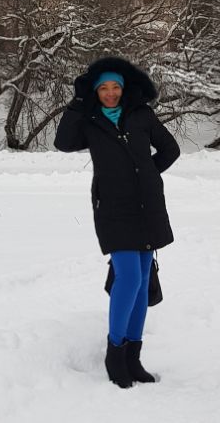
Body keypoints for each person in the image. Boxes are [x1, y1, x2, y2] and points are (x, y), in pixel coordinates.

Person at [54, 56, 180, 388]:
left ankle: (133, 356)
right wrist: (78, 103)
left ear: (124, 89)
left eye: (116, 88)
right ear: (95, 92)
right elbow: (63, 143)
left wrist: (146, 174)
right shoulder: (90, 119)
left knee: (140, 279)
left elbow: (170, 149)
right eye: (103, 89)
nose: (110, 94)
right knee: (127, 275)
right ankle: (115, 351)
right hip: (112, 207)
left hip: (146, 204)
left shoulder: (141, 114)